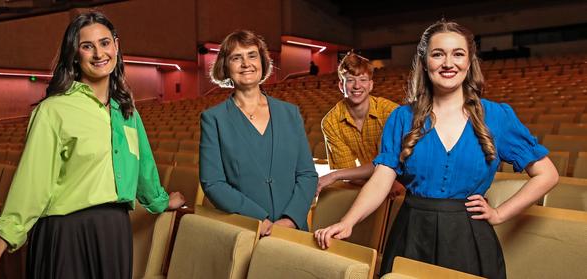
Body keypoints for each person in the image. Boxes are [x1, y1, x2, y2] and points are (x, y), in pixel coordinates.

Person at [314, 20, 558, 278]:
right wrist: (348, 221)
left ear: (469, 61)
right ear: (424, 62)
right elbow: (381, 180)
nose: (448, 63)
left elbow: (547, 174)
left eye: (458, 54)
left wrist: (499, 213)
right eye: (438, 54)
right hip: (412, 234)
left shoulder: (497, 116)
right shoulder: (401, 118)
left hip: (470, 237)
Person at [0, 11, 185, 279]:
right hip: (66, 233)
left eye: (104, 43)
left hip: (114, 233)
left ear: (116, 46)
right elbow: (34, 181)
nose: (99, 53)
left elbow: (143, 167)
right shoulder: (53, 110)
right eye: (87, 46)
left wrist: (161, 202)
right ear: (75, 54)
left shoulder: (127, 113)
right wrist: (0, 241)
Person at [200, 30, 318, 236]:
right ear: (225, 67)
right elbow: (213, 183)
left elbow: (307, 174)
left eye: (252, 55)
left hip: (294, 231)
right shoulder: (213, 119)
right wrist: (258, 220)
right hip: (245, 229)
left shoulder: (290, 113)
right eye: (237, 58)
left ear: (262, 62)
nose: (246, 63)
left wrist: (290, 219)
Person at [317, 51, 401, 196]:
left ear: (371, 85)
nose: (357, 86)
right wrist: (379, 185)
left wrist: (334, 175)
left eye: (362, 79)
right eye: (350, 80)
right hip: (376, 183)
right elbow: (347, 175)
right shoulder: (330, 122)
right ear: (341, 86)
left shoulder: (391, 112)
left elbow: (393, 164)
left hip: (405, 181)